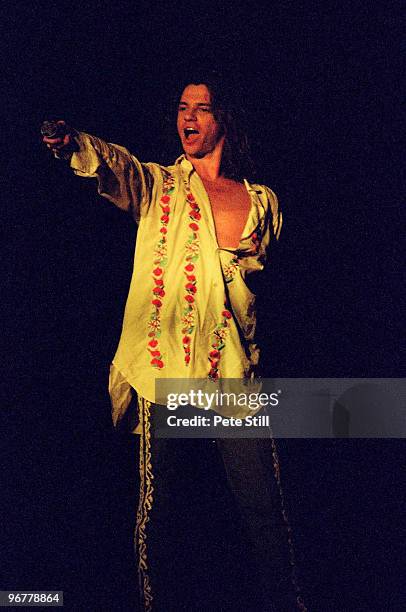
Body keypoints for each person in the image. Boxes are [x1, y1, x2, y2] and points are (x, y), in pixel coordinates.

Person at [43, 73, 306, 612]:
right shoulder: (163, 186)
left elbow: (262, 273)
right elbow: (119, 167)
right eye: (182, 107)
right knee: (162, 513)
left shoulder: (262, 202)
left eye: (201, 108)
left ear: (223, 119)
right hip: (166, 376)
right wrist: (77, 145)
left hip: (230, 376)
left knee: (265, 511)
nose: (187, 116)